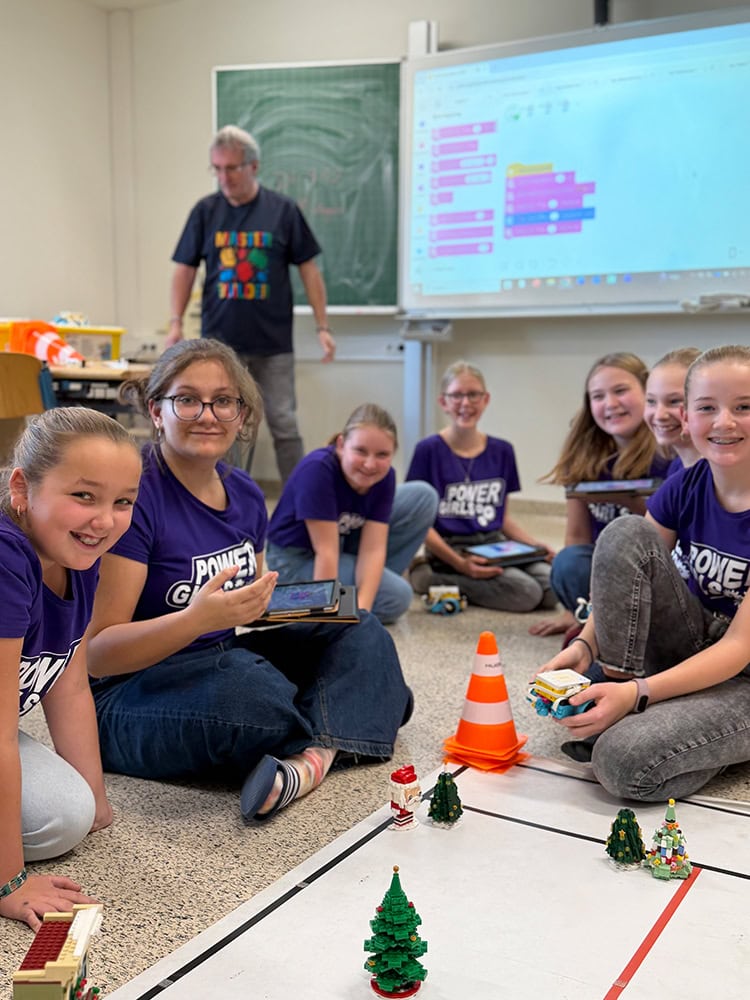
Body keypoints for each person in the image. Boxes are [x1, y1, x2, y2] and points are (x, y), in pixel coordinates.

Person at [86, 340, 413, 823]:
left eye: (223, 401)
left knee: (361, 629)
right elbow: (97, 655)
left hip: (220, 657)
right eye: (187, 400)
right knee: (253, 693)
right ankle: (349, 718)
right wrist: (195, 620)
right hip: (129, 692)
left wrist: (296, 606)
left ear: (241, 415)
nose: (208, 415)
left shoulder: (243, 492)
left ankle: (308, 761)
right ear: (156, 411)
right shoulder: (134, 495)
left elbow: (251, 605)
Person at [536, 345, 750, 801]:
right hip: (698, 639)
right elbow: (629, 561)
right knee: (623, 531)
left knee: (622, 761)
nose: (725, 422)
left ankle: (708, 731)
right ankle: (633, 692)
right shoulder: (685, 484)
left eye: (744, 407)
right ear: (687, 420)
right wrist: (585, 645)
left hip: (743, 670)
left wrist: (638, 695)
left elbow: (738, 648)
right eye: (707, 408)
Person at [0, 408, 141, 929]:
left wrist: (96, 796)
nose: (104, 520)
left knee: (68, 813)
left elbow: (71, 684)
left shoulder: (77, 550)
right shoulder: (6, 559)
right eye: (84, 496)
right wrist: (9, 883)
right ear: (22, 488)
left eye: (123, 502)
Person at [166, 124, 334, 485]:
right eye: (217, 169)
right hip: (220, 345)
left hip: (273, 343)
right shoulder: (205, 212)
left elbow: (309, 270)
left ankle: (299, 500)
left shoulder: (282, 210)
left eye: (232, 168)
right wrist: (175, 322)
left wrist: (322, 326)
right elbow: (184, 269)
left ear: (253, 166)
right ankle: (226, 500)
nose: (224, 178)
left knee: (284, 422)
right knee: (227, 425)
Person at [529, 352, 670, 637]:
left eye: (620, 391)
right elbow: (577, 536)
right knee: (568, 562)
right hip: (603, 568)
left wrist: (633, 503)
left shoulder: (668, 453)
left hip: (656, 566)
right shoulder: (584, 456)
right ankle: (590, 619)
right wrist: (570, 607)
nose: (610, 404)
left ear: (647, 392)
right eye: (598, 396)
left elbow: (673, 541)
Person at [265, 405, 438, 625]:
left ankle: (365, 584)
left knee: (423, 496)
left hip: (341, 544)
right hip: (297, 558)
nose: (370, 464)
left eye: (382, 454)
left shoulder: (384, 477)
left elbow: (373, 550)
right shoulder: (317, 470)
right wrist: (325, 616)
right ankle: (295, 597)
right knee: (398, 597)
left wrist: (363, 612)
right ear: (341, 445)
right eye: (360, 451)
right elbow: (326, 552)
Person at [405, 360, 555, 612]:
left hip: (494, 544)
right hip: (452, 548)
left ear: (485, 399)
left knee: (552, 588)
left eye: (473, 394)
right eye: (456, 395)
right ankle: (427, 577)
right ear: (443, 402)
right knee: (526, 593)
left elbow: (502, 518)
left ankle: (454, 576)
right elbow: (421, 525)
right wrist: (459, 563)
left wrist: (535, 546)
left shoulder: (503, 451)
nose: (465, 403)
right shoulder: (427, 450)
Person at [644, 347, 702, 474]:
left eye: (674, 401)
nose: (659, 415)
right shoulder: (676, 467)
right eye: (651, 401)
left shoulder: (719, 474)